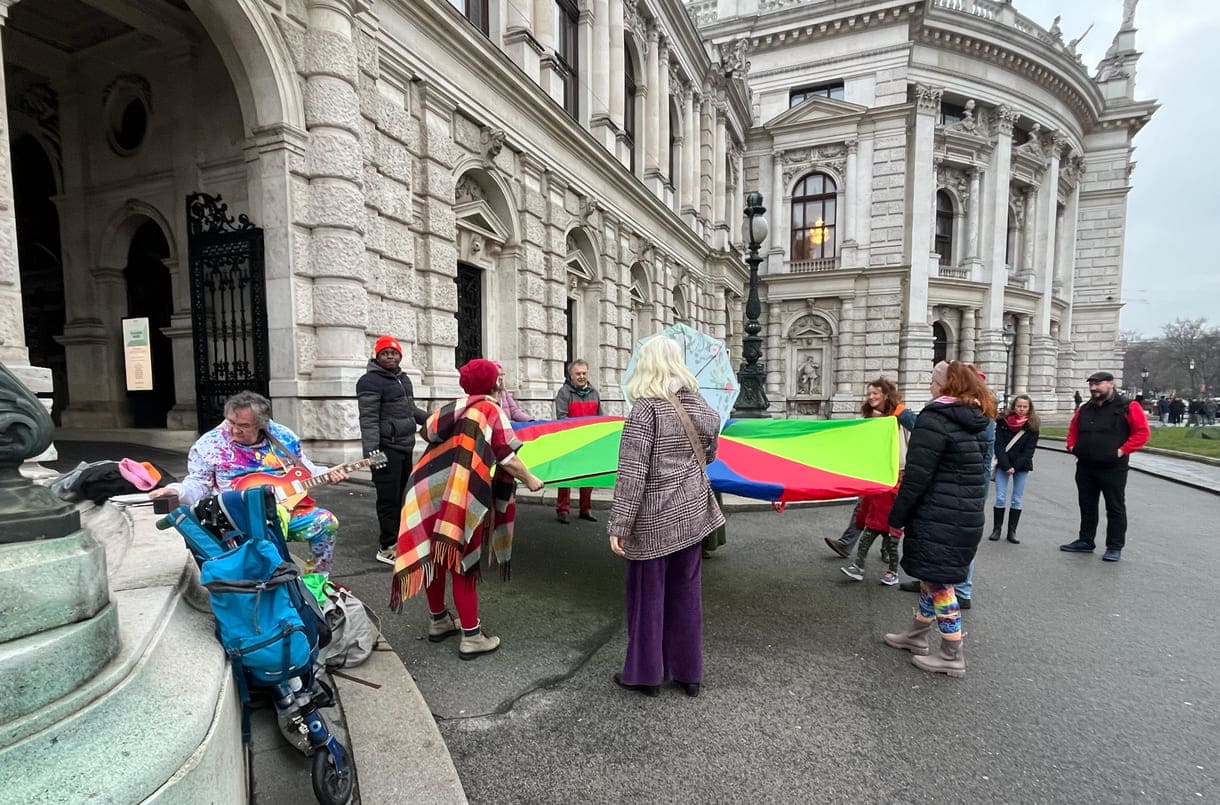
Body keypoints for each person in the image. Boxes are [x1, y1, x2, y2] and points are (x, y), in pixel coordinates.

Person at [389, 358, 545, 659]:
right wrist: (530, 478)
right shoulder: (489, 409)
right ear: (494, 382)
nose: (501, 379)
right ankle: (472, 637)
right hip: (457, 492)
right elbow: (507, 456)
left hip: (423, 490)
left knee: (436, 556)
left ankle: (439, 621)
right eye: (498, 376)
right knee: (462, 561)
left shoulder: (454, 408)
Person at [608, 336, 724, 698]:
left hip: (653, 518)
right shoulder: (701, 406)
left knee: (648, 597)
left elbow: (632, 473)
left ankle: (645, 675)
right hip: (692, 513)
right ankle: (689, 674)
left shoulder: (646, 409)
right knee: (686, 594)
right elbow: (710, 455)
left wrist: (619, 525)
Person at [149, 390, 347, 575]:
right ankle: (278, 581)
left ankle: (316, 582)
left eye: (243, 426)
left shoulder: (283, 436)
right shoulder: (210, 445)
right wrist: (177, 490)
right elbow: (199, 483)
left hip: (283, 511)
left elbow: (306, 471)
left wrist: (328, 474)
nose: (234, 430)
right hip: (235, 519)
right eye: (230, 422)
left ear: (261, 424)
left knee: (326, 522)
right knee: (269, 525)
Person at [882, 361, 994, 678]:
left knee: (941, 586)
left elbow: (917, 476)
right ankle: (917, 634)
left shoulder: (934, 419)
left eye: (933, 380)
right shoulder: (979, 418)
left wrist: (897, 517)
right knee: (933, 577)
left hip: (937, 513)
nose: (930, 385)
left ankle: (951, 653)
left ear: (945, 384)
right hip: (964, 513)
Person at [1060, 371, 1149, 562]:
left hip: (1112, 466)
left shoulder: (1128, 406)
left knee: (1115, 506)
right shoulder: (1085, 408)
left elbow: (1142, 432)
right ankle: (1086, 540)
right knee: (1087, 504)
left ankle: (1114, 546)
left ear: (1111, 384)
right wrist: (1072, 446)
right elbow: (1073, 429)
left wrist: (1122, 451)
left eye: (1097, 384)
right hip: (1085, 465)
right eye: (1091, 384)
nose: (1093, 388)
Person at [824, 379, 917, 559]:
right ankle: (846, 543)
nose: (871, 397)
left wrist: (898, 414)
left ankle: (887, 549)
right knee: (863, 506)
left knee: (891, 510)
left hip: (897, 469)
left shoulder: (900, 413)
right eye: (869, 394)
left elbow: (917, 427)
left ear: (886, 395)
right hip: (875, 468)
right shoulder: (870, 416)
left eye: (875, 393)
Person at [357, 335, 429, 565]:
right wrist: (372, 453)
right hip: (385, 449)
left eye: (394, 353)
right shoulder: (369, 382)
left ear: (400, 356)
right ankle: (387, 547)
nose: (390, 356)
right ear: (377, 356)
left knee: (403, 497)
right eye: (385, 353)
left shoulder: (403, 379)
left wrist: (434, 420)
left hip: (405, 446)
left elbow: (410, 410)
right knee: (388, 500)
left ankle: (401, 538)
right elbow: (368, 420)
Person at [989, 394, 1040, 544]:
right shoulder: (1003, 422)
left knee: (1017, 499)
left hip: (1021, 466)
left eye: (1025, 407)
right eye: (1019, 406)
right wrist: (1006, 465)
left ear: (1029, 408)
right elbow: (998, 445)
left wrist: (1015, 467)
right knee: (1000, 497)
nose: (1022, 409)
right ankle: (997, 529)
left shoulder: (1032, 426)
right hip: (1004, 464)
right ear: (1013, 407)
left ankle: (1012, 531)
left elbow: (1029, 450)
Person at [554, 358, 601, 524]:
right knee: (566, 477)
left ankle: (585, 509)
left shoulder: (594, 393)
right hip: (569, 441)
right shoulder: (564, 393)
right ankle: (563, 509)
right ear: (571, 376)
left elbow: (600, 417)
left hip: (589, 443)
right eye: (578, 374)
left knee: (588, 476)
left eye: (584, 373)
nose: (581, 376)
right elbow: (561, 417)